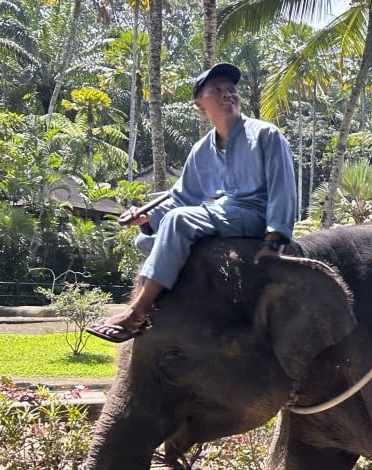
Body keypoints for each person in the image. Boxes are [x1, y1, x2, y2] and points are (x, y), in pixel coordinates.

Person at [87, 62, 297, 343]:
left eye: (231, 89)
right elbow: (183, 198)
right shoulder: (200, 151)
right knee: (145, 241)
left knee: (178, 221)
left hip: (255, 214)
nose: (227, 94)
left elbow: (283, 188)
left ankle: (138, 310)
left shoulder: (265, 135)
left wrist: (274, 240)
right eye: (217, 90)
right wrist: (148, 220)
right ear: (200, 104)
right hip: (220, 214)